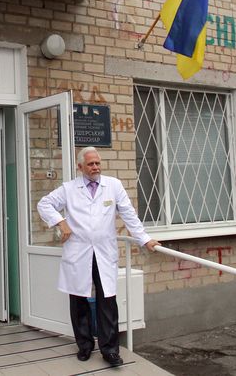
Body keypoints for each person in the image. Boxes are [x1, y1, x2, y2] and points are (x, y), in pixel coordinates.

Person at [37, 146, 160, 367]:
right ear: (80, 166)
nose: (95, 167)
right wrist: (61, 223)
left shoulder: (113, 185)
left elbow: (129, 214)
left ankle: (110, 350)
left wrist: (145, 239)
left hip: (104, 252)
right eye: (91, 164)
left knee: (107, 301)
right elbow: (44, 204)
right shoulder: (69, 189)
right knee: (79, 300)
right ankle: (84, 346)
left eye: (98, 163)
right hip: (79, 252)